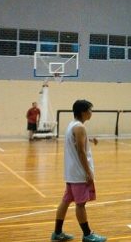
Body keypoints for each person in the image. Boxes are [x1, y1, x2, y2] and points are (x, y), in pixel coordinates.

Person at [51, 100, 107, 242]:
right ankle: (87, 234)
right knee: (80, 204)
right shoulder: (80, 128)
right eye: (90, 110)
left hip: (71, 172)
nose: (91, 113)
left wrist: (89, 139)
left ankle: (57, 233)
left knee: (65, 201)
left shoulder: (72, 125)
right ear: (83, 112)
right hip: (78, 173)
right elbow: (81, 152)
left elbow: (77, 142)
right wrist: (88, 172)